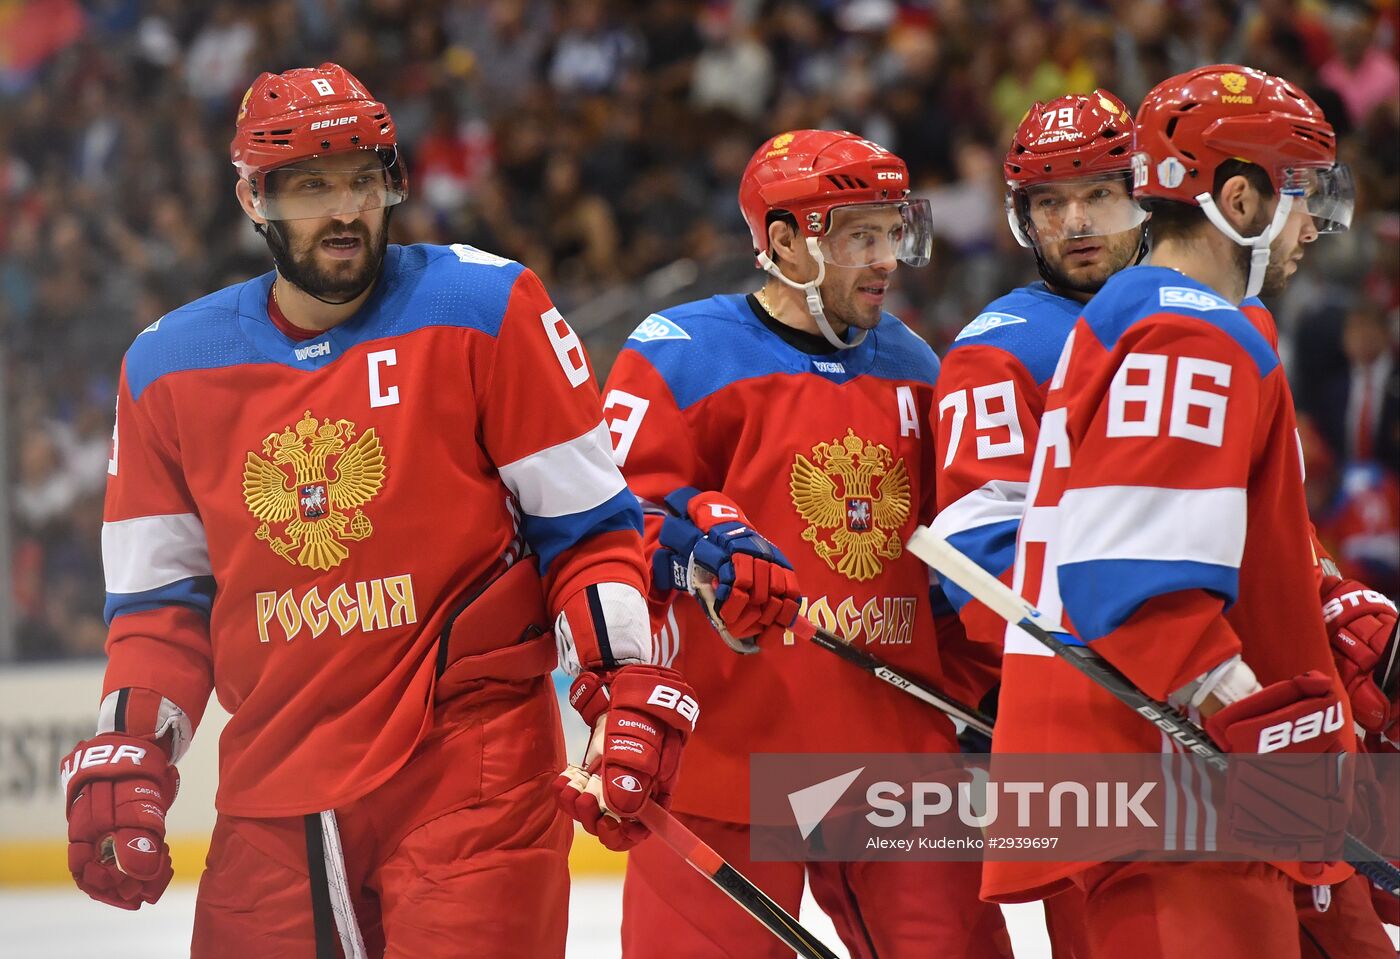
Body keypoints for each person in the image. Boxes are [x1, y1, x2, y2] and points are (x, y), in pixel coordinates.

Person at [59, 63, 696, 957]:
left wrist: (621, 684)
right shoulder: (167, 367)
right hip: (273, 784)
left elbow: (588, 532)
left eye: (363, 177)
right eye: (313, 186)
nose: (347, 209)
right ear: (254, 200)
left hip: (471, 763)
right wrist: (135, 747)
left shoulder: (484, 306)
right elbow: (161, 605)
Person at [933, 85, 1398, 959]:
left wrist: (1321, 605)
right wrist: (1253, 714)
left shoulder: (1159, 317)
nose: (1314, 226)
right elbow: (1130, 579)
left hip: (1178, 766)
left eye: (1100, 193)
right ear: (1239, 199)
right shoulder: (1178, 327)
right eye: (1302, 192)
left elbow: (1203, 536)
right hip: (1165, 772)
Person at [600, 129, 1011, 958]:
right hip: (728, 754)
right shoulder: (680, 355)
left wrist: (982, 687)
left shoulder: (916, 365)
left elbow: (953, 554)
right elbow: (604, 525)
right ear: (784, 240)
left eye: (893, 230)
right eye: (858, 233)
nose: (885, 256)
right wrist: (696, 551)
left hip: (898, 756)